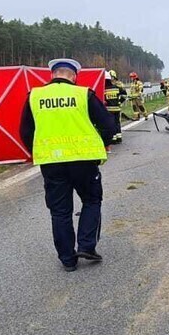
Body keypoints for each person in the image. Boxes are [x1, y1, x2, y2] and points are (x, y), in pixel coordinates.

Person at [19, 58, 118, 271]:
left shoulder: (34, 96)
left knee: (60, 211)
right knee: (92, 200)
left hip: (52, 162)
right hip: (84, 160)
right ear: (74, 76)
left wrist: (38, 151)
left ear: (52, 75)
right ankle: (86, 246)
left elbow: (26, 132)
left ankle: (67, 259)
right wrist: (103, 144)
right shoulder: (84, 94)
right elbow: (109, 125)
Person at [103, 69, 127, 143]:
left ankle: (113, 139)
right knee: (117, 123)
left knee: (111, 124)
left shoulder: (104, 89)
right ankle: (119, 138)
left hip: (109, 110)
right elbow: (124, 95)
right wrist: (119, 102)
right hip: (117, 109)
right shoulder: (117, 88)